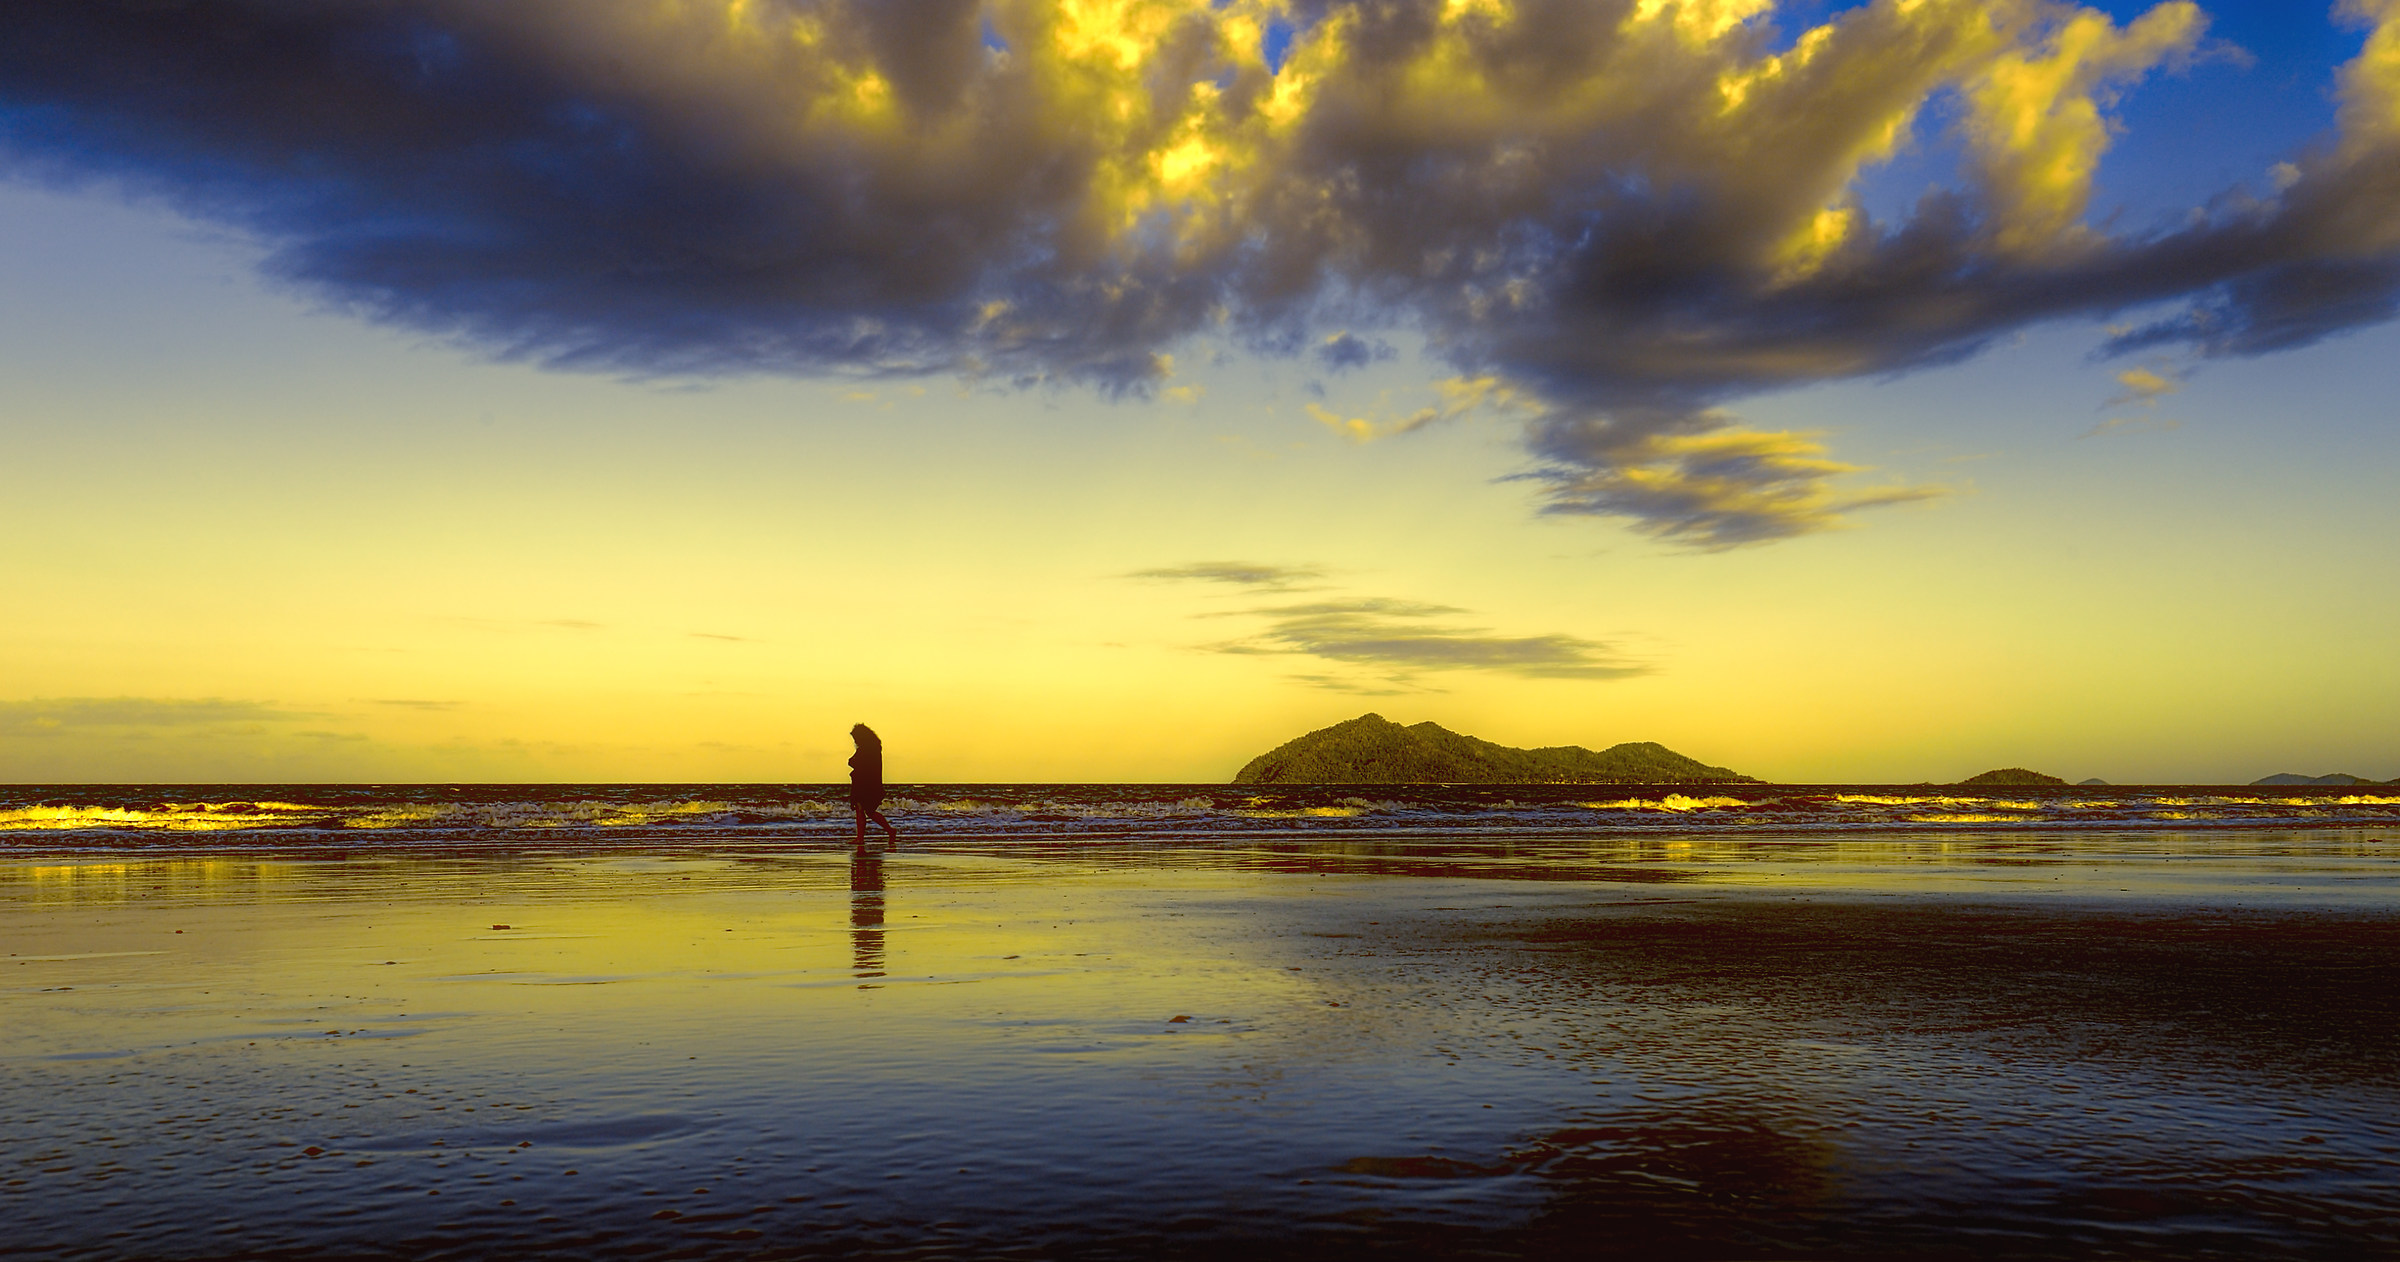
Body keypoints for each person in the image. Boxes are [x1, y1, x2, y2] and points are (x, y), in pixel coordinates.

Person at [848, 723, 899, 847]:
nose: (855, 741)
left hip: (865, 783)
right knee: (868, 811)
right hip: (870, 783)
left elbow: (855, 762)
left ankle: (861, 838)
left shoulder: (867, 749)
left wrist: (853, 763)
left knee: (863, 810)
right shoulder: (873, 747)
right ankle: (889, 830)